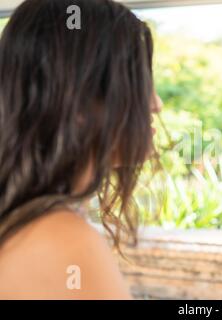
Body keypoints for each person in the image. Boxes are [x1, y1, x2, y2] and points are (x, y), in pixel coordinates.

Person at [0, 0, 161, 299]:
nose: (155, 104)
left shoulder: (27, 225)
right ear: (78, 102)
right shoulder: (60, 238)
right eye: (138, 83)